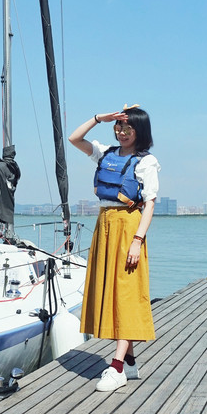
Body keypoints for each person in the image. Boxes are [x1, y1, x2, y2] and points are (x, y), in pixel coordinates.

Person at [69, 106, 160, 392]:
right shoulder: (105, 153)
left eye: (128, 129)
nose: (122, 133)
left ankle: (118, 367)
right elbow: (74, 138)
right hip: (105, 224)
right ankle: (130, 363)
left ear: (139, 132)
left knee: (127, 294)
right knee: (112, 292)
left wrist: (137, 240)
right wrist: (99, 118)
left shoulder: (146, 162)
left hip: (128, 226)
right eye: (119, 127)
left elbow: (149, 204)